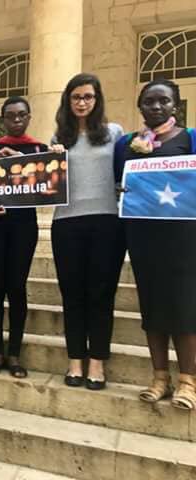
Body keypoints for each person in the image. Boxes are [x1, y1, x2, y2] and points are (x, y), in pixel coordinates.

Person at [114, 79, 196, 409]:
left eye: (164, 101)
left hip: (183, 239)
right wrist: (121, 190)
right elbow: (118, 181)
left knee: (185, 307)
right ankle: (160, 377)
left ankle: (188, 381)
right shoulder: (127, 144)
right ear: (140, 106)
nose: (157, 106)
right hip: (143, 237)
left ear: (176, 105)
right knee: (152, 307)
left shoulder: (190, 139)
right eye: (149, 101)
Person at [50, 73, 126, 390]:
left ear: (97, 99)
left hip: (107, 222)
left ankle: (97, 362)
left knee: (101, 294)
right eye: (76, 97)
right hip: (66, 223)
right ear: (68, 101)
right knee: (72, 294)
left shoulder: (115, 133)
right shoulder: (58, 138)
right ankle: (75, 360)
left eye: (88, 97)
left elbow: (125, 175)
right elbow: (45, 181)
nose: (82, 103)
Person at [0, 97, 49, 378]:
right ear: (2, 119)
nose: (16, 120)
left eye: (21, 115)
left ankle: (14, 354)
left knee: (17, 287)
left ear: (29, 117)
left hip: (24, 227)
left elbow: (48, 189)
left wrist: (22, 161)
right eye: (10, 115)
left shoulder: (40, 149)